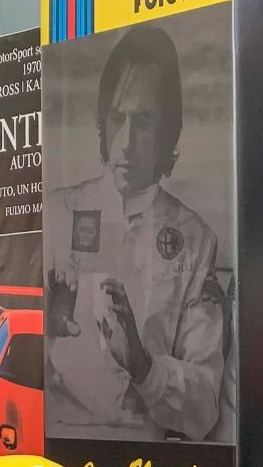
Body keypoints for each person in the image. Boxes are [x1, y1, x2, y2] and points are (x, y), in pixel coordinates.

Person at [46, 24, 228, 442]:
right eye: (117, 118)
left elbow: (204, 408)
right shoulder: (56, 215)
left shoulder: (195, 239)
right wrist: (44, 330)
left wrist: (143, 366)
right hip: (61, 448)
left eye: (144, 122)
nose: (126, 142)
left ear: (169, 131)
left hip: (147, 458)